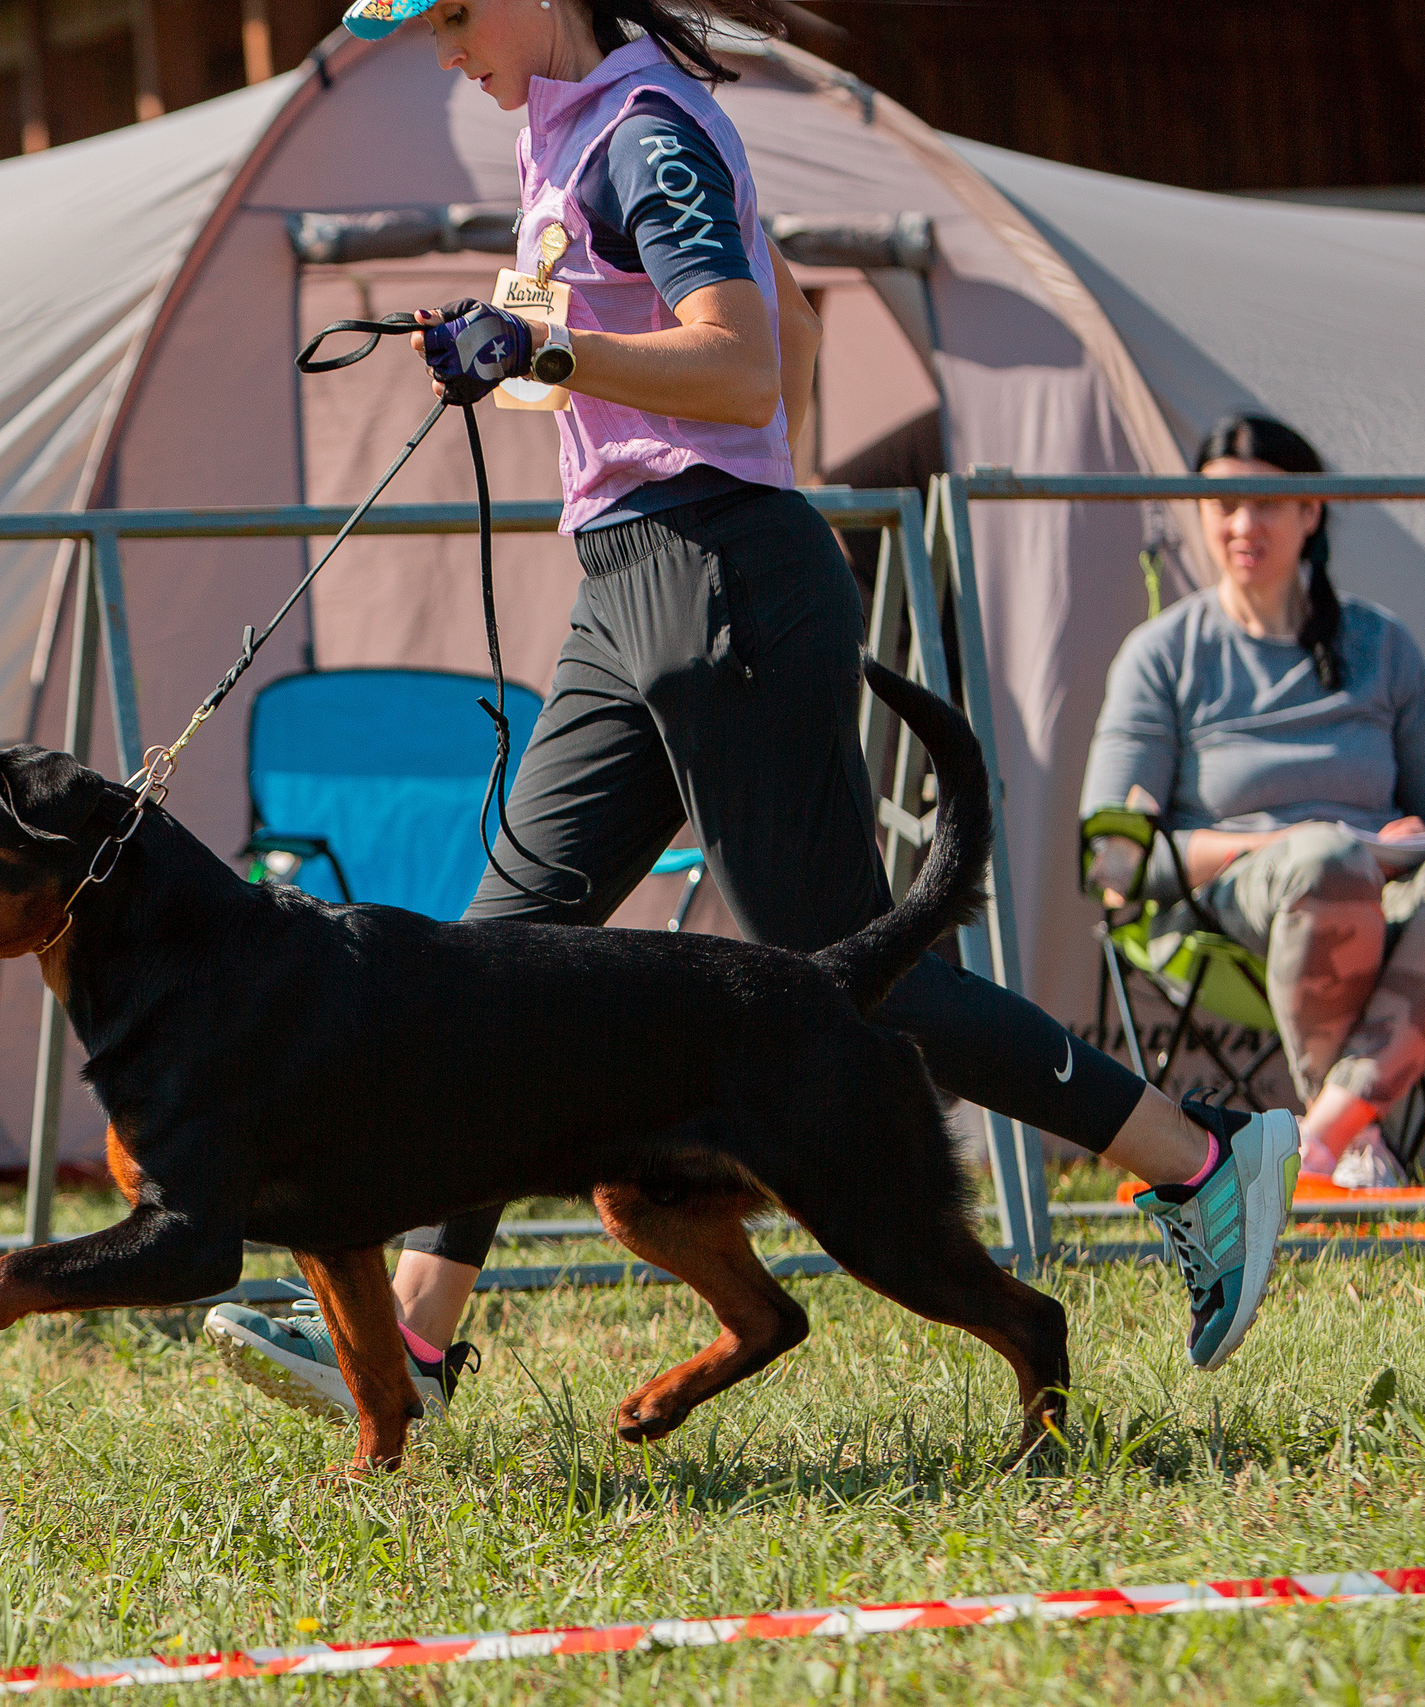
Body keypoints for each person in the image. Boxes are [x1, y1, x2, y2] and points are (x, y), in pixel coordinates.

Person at [202, 0, 1300, 1421]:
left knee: (853, 972)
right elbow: (774, 316)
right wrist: (528, 342)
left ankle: (1204, 1158)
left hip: (719, 575)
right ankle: (412, 1334)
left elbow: (746, 362)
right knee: (491, 968)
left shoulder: (644, 133)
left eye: (453, 15)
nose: (441, 47)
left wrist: (548, 356)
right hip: (633, 584)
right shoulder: (580, 130)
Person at [1083, 415, 1424, 1191]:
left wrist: (1397, 843)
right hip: (1221, 914)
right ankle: (1352, 1142)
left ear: (1312, 511)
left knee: (1339, 858)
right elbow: (1111, 860)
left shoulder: (1384, 646)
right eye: (1221, 504)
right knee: (1326, 858)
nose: (1242, 524)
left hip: (1385, 894)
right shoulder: (1164, 654)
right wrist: (1300, 842)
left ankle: (1326, 1140)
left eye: (1265, 501)